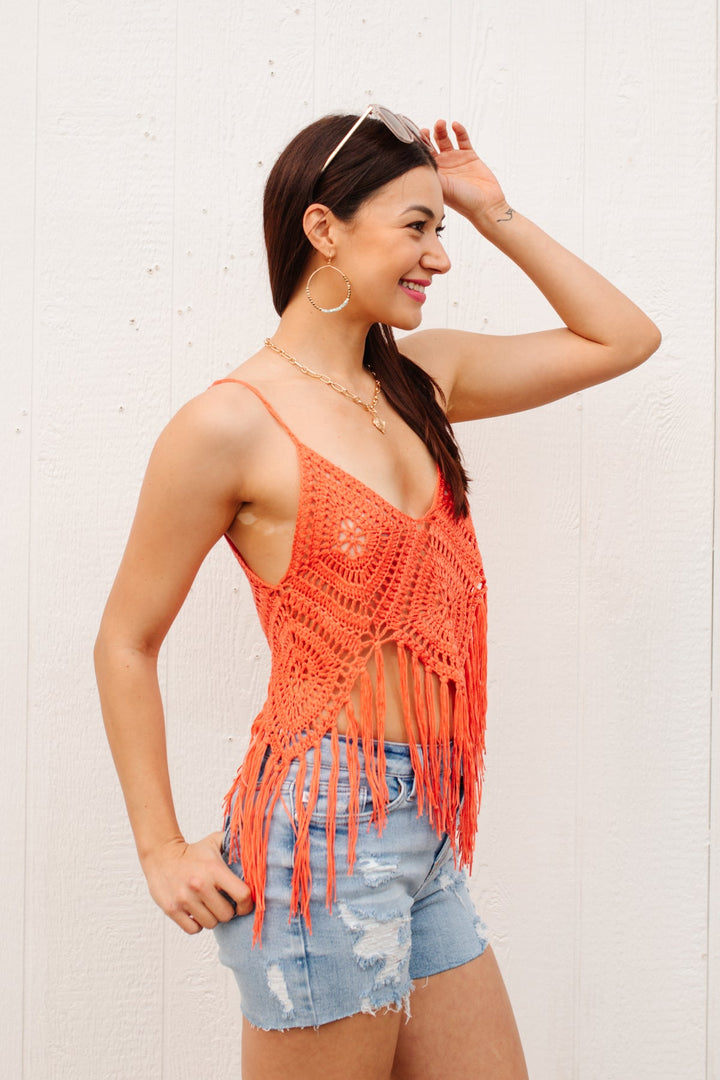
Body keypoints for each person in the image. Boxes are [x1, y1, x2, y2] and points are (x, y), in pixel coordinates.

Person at [94, 106, 661, 1080]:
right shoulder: (228, 425)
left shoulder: (422, 380)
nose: (440, 256)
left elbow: (623, 338)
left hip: (429, 829)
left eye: (442, 227)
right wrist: (159, 847)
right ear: (324, 227)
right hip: (320, 826)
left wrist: (490, 209)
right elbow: (126, 640)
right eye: (417, 226)